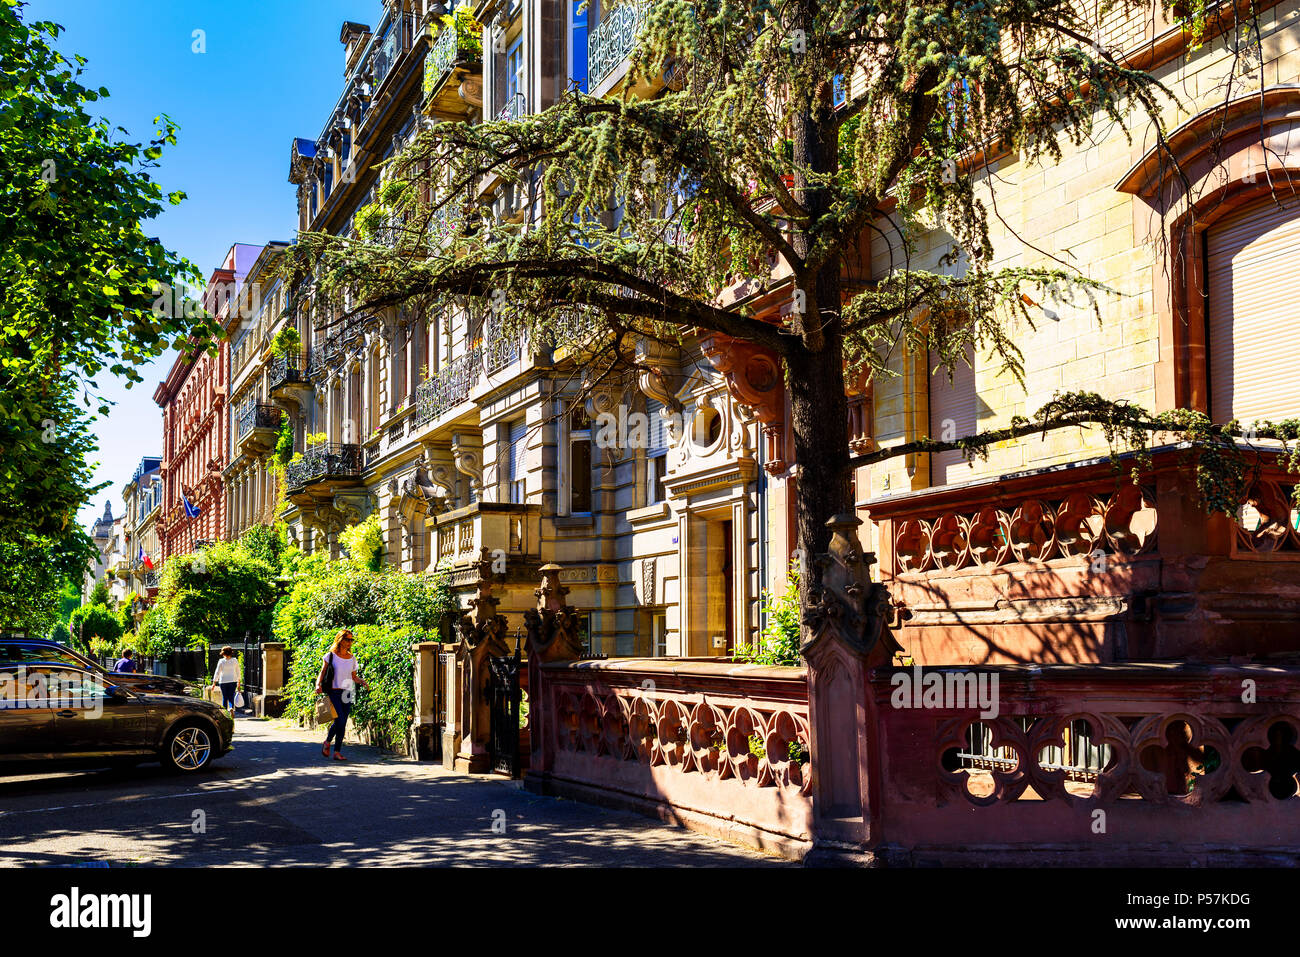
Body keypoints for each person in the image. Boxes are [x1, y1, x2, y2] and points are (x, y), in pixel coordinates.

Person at [315, 630, 370, 761]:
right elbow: (322, 672)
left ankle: (337, 752)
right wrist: (318, 684)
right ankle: (328, 742)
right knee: (339, 719)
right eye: (348, 639)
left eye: (352, 640)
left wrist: (361, 681)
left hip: (348, 692)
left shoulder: (352, 658)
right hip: (334, 691)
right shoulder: (331, 656)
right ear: (340, 640)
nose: (350, 642)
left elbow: (353, 677)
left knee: (343, 722)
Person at [211, 647, 240, 713]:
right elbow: (238, 671)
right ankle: (231, 708)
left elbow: (217, 672)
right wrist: (239, 681)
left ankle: (225, 713)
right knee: (231, 696)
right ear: (231, 653)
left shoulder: (221, 661)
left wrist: (214, 683)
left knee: (225, 697)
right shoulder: (235, 660)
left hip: (223, 681)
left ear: (223, 653)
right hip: (233, 681)